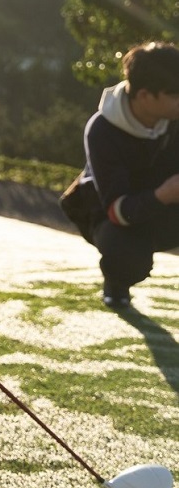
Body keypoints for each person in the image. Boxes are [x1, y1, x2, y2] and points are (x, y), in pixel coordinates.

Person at [77, 42, 179, 309]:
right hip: (114, 217)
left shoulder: (174, 118)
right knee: (128, 258)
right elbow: (118, 211)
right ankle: (117, 280)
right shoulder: (102, 130)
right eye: (175, 95)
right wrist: (164, 194)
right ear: (146, 96)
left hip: (164, 207)